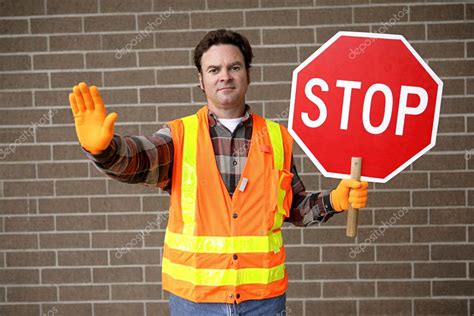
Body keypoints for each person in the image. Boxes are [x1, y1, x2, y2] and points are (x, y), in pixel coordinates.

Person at [69, 29, 368, 316]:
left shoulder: (277, 139)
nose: (224, 75)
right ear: (201, 80)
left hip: (263, 301)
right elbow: (136, 160)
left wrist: (334, 201)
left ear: (247, 74)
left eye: (234, 67)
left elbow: (291, 207)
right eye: (214, 70)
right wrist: (104, 150)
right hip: (196, 302)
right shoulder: (179, 136)